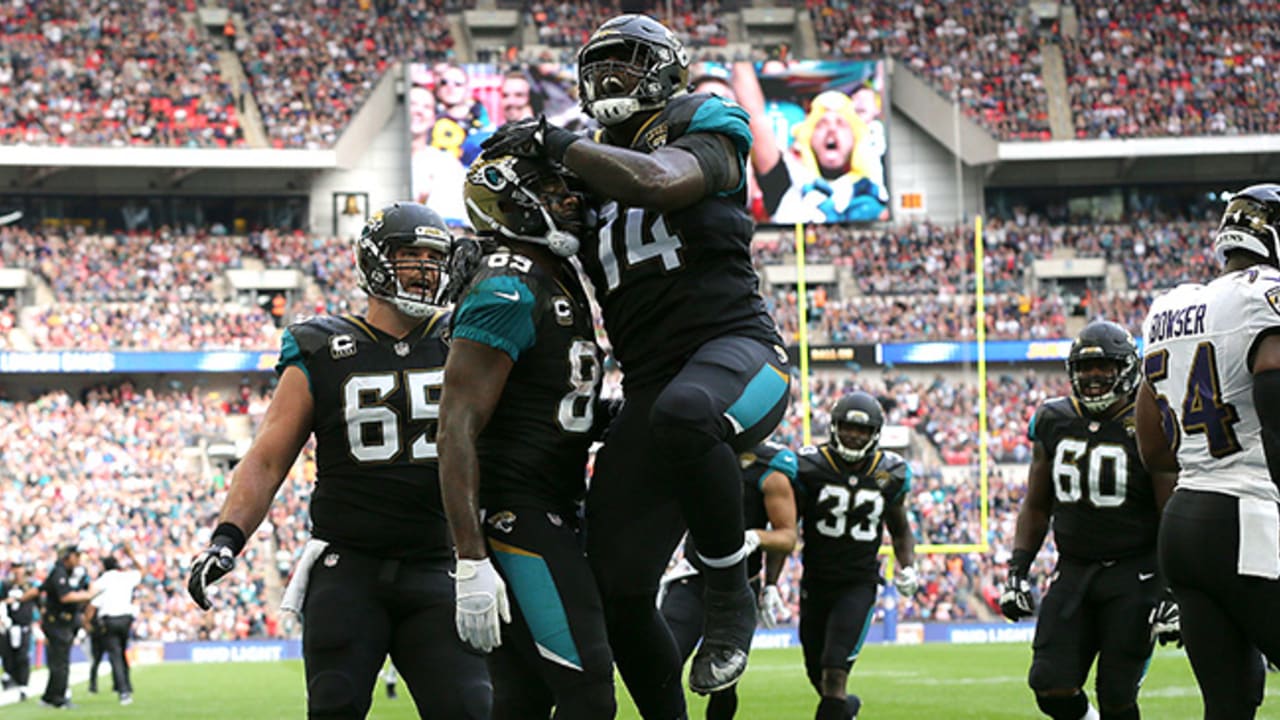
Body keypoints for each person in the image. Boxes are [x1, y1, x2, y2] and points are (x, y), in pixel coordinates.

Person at [483, 13, 791, 710]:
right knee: (616, 593)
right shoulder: (586, 165)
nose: (606, 79)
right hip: (652, 388)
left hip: (740, 354)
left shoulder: (705, 122)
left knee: (686, 412)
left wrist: (556, 141)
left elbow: (659, 182)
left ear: (663, 68)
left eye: (624, 63)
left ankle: (728, 592)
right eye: (595, 69)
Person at [185, 202, 492, 719]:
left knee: (471, 709)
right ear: (375, 261)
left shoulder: (464, 336)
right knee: (335, 707)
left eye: (433, 257)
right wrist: (227, 538)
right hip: (349, 568)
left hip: (442, 563)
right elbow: (266, 458)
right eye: (410, 255)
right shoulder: (322, 345)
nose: (425, 269)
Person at [439, 150, 614, 719]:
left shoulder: (552, 275)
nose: (567, 196)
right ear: (505, 201)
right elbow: (455, 426)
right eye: (546, 185)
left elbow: (548, 402)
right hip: (522, 512)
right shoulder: (508, 283)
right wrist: (470, 557)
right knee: (588, 694)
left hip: (550, 503)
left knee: (523, 700)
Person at [1137, 184, 1280, 719]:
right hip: (1250, 516)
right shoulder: (1261, 295)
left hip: (1185, 522)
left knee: (1229, 703)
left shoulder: (1169, 306)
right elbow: (1272, 386)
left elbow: (1153, 448)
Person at [1000, 320, 1174, 720]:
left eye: (1105, 368)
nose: (1093, 377)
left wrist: (1172, 588)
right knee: (1049, 684)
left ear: (1127, 368)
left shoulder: (1149, 419)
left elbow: (1170, 509)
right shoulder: (1054, 419)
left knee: (1117, 694)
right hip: (1074, 570)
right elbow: (1037, 504)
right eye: (1084, 368)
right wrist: (1017, 571)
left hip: (1136, 575)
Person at [793, 392, 918, 720]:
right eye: (848, 427)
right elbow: (785, 524)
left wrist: (909, 567)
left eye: (863, 431)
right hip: (815, 583)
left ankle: (839, 705)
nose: (854, 435)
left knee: (835, 672)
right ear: (834, 427)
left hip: (857, 585)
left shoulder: (889, 472)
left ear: (875, 434)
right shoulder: (809, 466)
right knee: (817, 674)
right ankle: (846, 709)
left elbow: (900, 528)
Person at [660, 441, 798, 720]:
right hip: (694, 577)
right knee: (664, 664)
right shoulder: (696, 448)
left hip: (739, 583)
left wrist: (757, 543)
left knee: (722, 680)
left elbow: (786, 536)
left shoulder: (769, 468)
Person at [39, 545, 99, 709]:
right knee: (61, 662)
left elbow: (41, 589)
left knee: (58, 660)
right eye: (76, 556)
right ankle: (59, 697)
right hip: (57, 622)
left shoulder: (69, 573)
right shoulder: (59, 572)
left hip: (64, 621)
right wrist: (88, 595)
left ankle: (49, 696)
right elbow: (65, 597)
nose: (78, 560)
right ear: (67, 556)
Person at [85, 542, 143, 705]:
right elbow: (143, 571)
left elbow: (92, 604)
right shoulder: (125, 577)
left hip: (109, 620)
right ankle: (126, 685)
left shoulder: (102, 581)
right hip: (125, 619)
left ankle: (123, 691)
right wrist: (131, 554)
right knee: (122, 653)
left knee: (115, 655)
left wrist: (86, 623)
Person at [0, 563, 38, 702]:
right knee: (8, 655)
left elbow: (38, 600)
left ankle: (23, 686)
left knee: (23, 656)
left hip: (24, 625)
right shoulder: (5, 585)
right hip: (8, 625)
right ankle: (10, 677)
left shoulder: (30, 586)